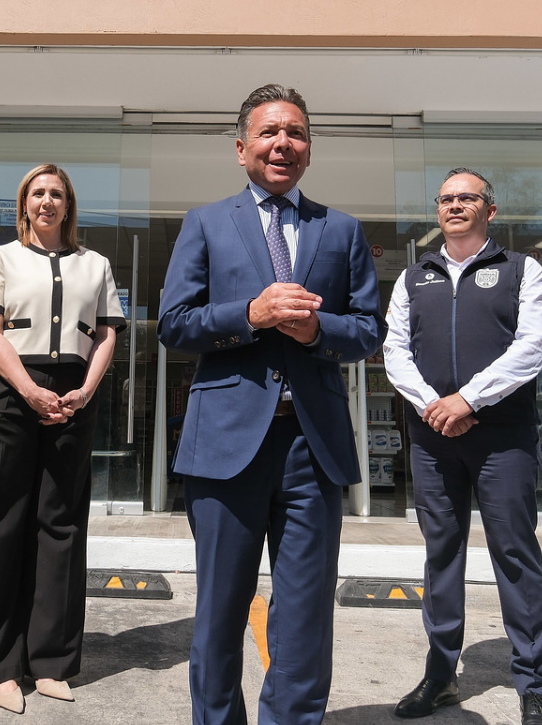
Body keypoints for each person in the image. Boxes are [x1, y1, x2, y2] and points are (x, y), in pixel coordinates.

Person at [159, 84, 385, 725]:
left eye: (296, 133)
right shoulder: (205, 223)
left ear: (309, 149)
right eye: (268, 132)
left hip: (312, 447)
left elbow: (367, 330)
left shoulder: (341, 230)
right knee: (220, 609)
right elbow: (174, 324)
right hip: (225, 445)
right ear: (241, 148)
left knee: (306, 613)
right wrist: (250, 315)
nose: (283, 143)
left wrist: (317, 331)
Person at [0, 164, 126, 713]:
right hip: (10, 390)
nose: (47, 201)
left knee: (61, 522)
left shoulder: (95, 264)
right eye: (37, 193)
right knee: (0, 519)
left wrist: (85, 391)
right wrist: (28, 390)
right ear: (24, 203)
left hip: (75, 393)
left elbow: (107, 333)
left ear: (68, 205)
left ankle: (51, 659)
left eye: (56, 194)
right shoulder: (0, 257)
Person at [381, 170, 542, 725]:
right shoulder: (413, 277)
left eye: (467, 198)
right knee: (441, 554)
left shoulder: (522, 270)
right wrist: (435, 405)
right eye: (446, 199)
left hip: (503, 438)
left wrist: (468, 400)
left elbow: (534, 345)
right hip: (433, 438)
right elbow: (394, 350)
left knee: (515, 553)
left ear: (490, 210)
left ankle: (532, 684)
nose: (455, 205)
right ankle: (440, 675)